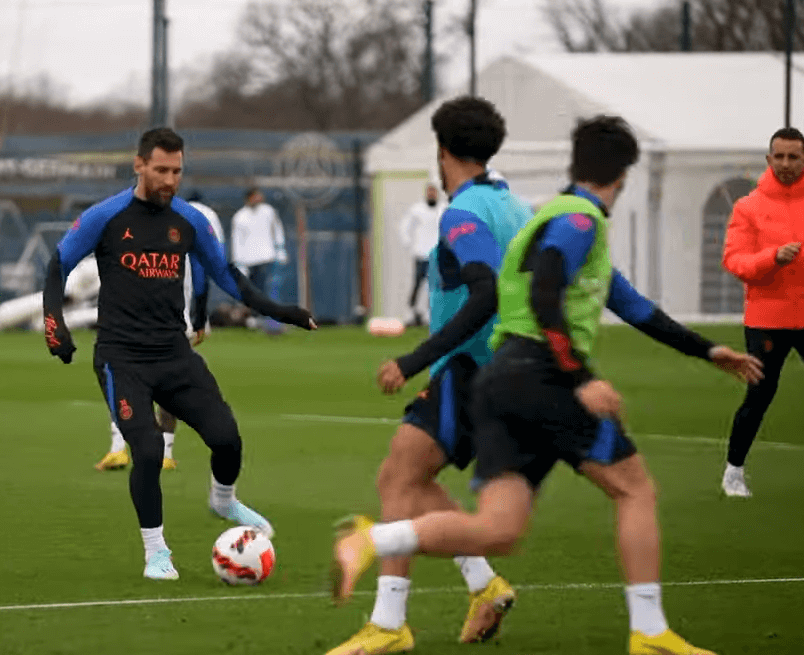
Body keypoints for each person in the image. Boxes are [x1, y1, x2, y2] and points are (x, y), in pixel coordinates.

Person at [333, 116, 764, 655]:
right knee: (632, 488)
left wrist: (705, 349)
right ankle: (649, 632)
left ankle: (380, 551)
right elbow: (540, 292)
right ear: (625, 175)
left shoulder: (549, 216)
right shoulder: (564, 217)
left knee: (492, 523)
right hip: (526, 372)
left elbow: (610, 298)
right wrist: (580, 377)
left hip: (496, 374)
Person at [43, 127, 315, 580]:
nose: (170, 180)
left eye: (177, 171)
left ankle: (223, 502)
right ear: (139, 165)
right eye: (161, 170)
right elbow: (58, 265)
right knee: (147, 450)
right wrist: (56, 324)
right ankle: (157, 552)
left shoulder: (189, 220)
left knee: (227, 438)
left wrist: (280, 311)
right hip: (121, 358)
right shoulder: (105, 216)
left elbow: (228, 276)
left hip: (174, 354)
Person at [326, 96, 532, 655]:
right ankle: (483, 584)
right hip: (512, 368)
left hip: (469, 369)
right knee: (409, 478)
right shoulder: (518, 206)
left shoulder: (463, 213)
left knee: (397, 480)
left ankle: (391, 623)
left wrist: (413, 360)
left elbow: (485, 290)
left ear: (443, 153)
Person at [94, 191, 224, 472]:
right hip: (181, 318)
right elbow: (209, 266)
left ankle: (118, 448)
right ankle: (165, 452)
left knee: (122, 377)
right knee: (169, 383)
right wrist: (201, 316)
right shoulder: (200, 220)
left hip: (137, 319)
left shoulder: (135, 218)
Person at [719, 126, 804, 498]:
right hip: (767, 318)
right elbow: (734, 260)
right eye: (780, 156)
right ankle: (733, 471)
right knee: (759, 394)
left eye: (794, 156)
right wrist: (772, 257)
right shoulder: (748, 206)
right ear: (769, 160)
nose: (786, 163)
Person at [230, 187, 287, 331]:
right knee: (253, 293)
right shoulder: (240, 217)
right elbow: (237, 241)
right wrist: (239, 263)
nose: (259, 199)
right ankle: (254, 320)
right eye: (255, 196)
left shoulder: (268, 212)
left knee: (270, 290)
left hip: (267, 258)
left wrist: (280, 250)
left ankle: (274, 324)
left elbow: (277, 230)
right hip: (249, 261)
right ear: (249, 198)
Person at [398, 183, 445, 327]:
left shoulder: (443, 209)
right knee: (418, 283)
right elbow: (405, 226)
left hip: (437, 254)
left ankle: (429, 314)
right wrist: (409, 243)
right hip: (421, 254)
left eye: (434, 192)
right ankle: (410, 312)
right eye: (429, 191)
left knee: (435, 286)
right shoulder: (417, 210)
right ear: (426, 193)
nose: (431, 194)